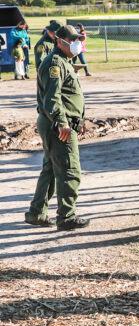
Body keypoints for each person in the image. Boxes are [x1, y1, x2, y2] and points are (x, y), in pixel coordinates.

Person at [25, 25, 89, 231]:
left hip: (57, 123)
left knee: (51, 169)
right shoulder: (54, 63)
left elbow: (68, 96)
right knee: (70, 169)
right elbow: (52, 99)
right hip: (58, 125)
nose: (78, 43)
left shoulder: (64, 61)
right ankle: (66, 216)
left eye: (79, 39)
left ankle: (36, 213)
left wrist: (80, 119)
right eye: (74, 40)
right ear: (60, 41)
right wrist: (62, 122)